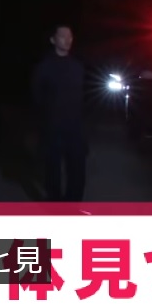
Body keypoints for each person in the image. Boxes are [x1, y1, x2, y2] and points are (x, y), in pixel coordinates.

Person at [29, 23, 88, 202]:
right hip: (53, 127)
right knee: (52, 169)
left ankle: (73, 205)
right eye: (63, 36)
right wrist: (46, 118)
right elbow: (36, 95)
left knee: (77, 168)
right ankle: (55, 205)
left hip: (75, 128)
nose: (67, 40)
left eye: (70, 36)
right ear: (53, 40)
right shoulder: (44, 67)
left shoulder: (77, 67)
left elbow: (82, 96)